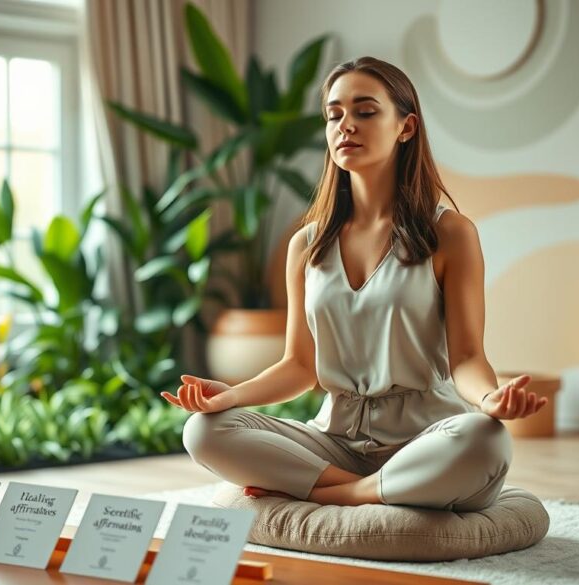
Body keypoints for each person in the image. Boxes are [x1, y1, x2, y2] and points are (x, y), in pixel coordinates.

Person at [160, 56, 548, 511]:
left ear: (406, 127)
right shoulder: (306, 245)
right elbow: (299, 366)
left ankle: (337, 493)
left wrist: (489, 399)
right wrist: (229, 395)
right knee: (203, 431)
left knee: (484, 439)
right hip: (336, 442)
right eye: (334, 115)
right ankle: (376, 488)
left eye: (365, 111)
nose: (345, 125)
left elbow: (466, 357)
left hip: (429, 438)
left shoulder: (451, 234)